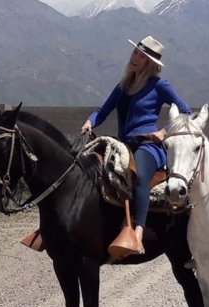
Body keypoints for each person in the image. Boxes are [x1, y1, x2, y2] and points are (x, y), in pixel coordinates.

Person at [82, 36, 192, 257]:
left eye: (142, 56)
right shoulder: (123, 86)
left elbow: (185, 111)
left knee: (139, 176)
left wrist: (163, 131)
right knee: (84, 166)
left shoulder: (159, 85)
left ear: (150, 63)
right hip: (123, 143)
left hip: (148, 146)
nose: (136, 58)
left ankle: (137, 234)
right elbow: (102, 110)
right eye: (135, 53)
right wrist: (90, 121)